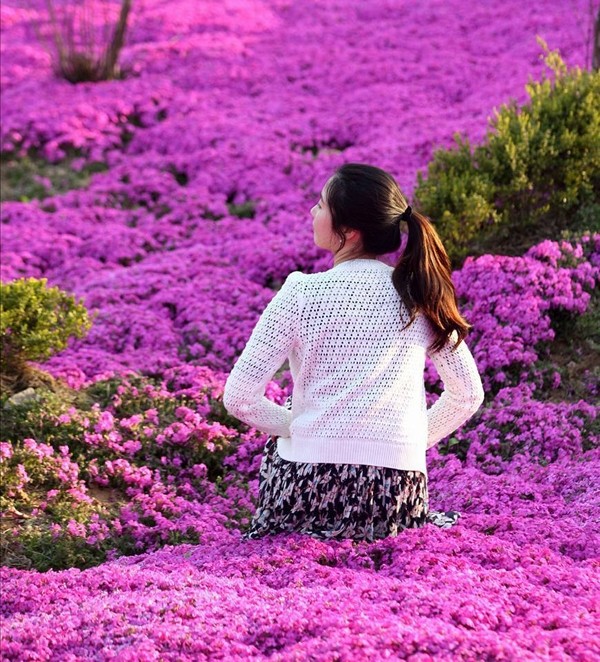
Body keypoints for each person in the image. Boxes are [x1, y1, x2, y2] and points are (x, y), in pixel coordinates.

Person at [223, 163, 485, 542]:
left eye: (321, 205)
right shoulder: (418, 296)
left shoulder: (300, 293)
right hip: (395, 494)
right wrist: (404, 442)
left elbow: (239, 398)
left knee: (280, 447)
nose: (312, 212)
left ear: (348, 231)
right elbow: (468, 394)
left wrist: (297, 428)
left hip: (308, 484)